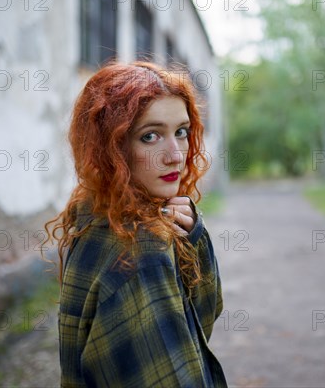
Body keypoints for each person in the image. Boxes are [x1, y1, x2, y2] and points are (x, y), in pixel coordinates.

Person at [44, 61, 227, 387]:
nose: (175, 155)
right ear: (112, 146)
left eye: (181, 132)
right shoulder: (143, 251)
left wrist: (193, 237)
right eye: (150, 136)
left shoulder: (96, 215)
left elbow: (195, 324)